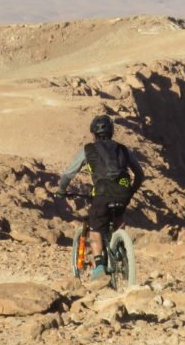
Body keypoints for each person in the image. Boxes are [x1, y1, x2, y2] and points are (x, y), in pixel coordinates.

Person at [55, 115, 145, 280]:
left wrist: (61, 190)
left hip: (102, 193)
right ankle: (121, 250)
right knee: (118, 218)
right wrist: (131, 191)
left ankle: (99, 267)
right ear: (111, 132)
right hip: (123, 192)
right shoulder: (123, 149)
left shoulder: (88, 149)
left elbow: (69, 173)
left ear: (93, 133)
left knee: (96, 228)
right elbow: (139, 174)